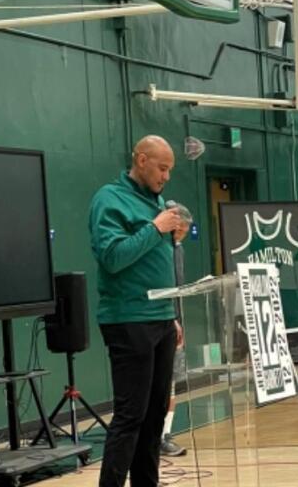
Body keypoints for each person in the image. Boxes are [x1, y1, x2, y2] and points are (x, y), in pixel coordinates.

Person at [90, 135, 187, 487]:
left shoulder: (156, 201)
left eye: (170, 170)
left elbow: (153, 264)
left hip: (159, 319)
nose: (166, 177)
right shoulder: (109, 199)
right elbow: (113, 258)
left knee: (154, 416)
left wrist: (171, 314)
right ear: (142, 160)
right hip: (128, 319)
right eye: (162, 168)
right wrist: (155, 229)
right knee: (131, 415)